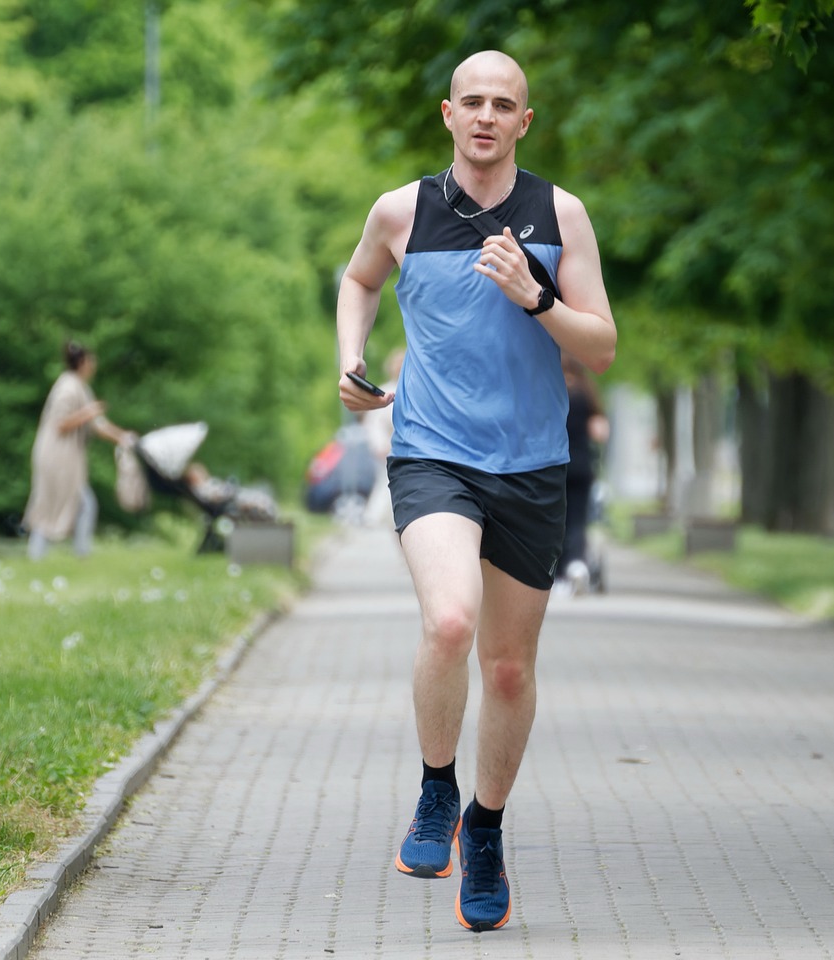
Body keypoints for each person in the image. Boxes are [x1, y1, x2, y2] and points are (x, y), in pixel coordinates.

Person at [335, 50, 616, 932]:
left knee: (507, 667)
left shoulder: (560, 214)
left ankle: (484, 829)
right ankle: (435, 790)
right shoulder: (401, 211)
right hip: (432, 452)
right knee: (449, 621)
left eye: (504, 104)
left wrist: (537, 297)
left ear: (524, 121)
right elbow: (359, 280)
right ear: (448, 114)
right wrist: (350, 359)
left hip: (531, 466)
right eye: (473, 102)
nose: (486, 115)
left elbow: (602, 345)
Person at [23, 341, 134, 560]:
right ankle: (77, 554)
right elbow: (61, 424)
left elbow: (98, 425)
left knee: (61, 503)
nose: (94, 365)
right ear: (83, 362)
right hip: (56, 456)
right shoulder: (67, 387)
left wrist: (123, 437)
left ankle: (43, 556)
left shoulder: (79, 387)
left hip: (65, 458)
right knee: (69, 503)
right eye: (91, 361)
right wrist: (88, 412)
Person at [555, 355, 610, 597]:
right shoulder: (587, 395)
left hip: (555, 467)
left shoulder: (553, 392)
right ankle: (576, 566)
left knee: (556, 521)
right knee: (578, 520)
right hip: (582, 467)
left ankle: (557, 575)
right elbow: (600, 432)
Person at [361, 347, 405, 527]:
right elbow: (374, 423)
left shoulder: (414, 390)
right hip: (389, 447)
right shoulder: (386, 391)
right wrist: (380, 445)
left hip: (407, 447)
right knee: (387, 482)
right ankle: (374, 517)